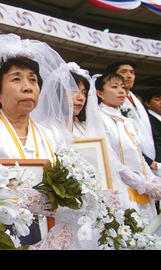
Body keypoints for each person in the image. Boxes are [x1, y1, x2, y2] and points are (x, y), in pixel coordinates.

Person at [0, 34, 80, 249]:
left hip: (48, 236)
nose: (28, 86)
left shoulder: (54, 137)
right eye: (16, 79)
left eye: (33, 80)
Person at [95, 73, 161, 224]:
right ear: (100, 93)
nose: (121, 91)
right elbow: (111, 159)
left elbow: (138, 154)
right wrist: (143, 184)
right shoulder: (99, 117)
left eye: (123, 88)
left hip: (142, 188)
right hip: (123, 189)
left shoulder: (126, 120)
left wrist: (153, 180)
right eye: (114, 87)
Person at [106, 60, 156, 170]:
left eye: (132, 73)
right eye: (124, 72)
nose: (129, 76)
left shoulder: (136, 99)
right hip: (130, 160)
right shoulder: (112, 103)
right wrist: (148, 160)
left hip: (150, 155)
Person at [67, 62, 90, 139]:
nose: (81, 98)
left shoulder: (82, 126)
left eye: (84, 93)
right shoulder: (47, 128)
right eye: (75, 90)